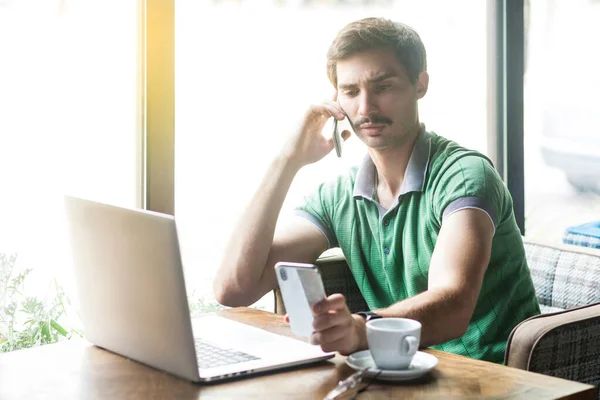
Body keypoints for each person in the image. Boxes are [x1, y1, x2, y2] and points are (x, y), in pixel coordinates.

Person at [213, 17, 540, 364]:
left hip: (499, 379)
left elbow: (454, 303)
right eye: (351, 92)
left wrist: (362, 329)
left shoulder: (465, 175)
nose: (366, 108)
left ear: (420, 84)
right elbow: (234, 289)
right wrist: (286, 161)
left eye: (383, 86)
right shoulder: (339, 195)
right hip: (401, 374)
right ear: (336, 99)